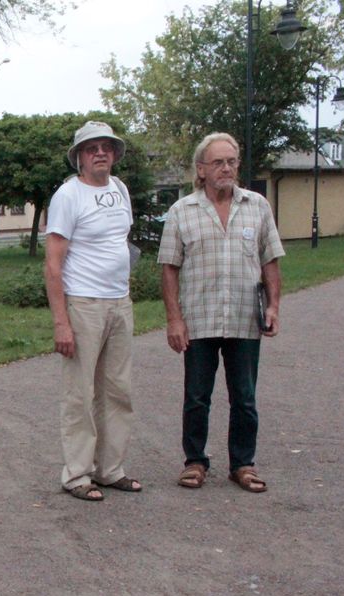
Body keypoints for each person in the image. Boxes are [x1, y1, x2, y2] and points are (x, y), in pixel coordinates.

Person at [158, 132, 283, 493]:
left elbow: (270, 259)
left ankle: (242, 464)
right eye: (218, 162)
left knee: (244, 397)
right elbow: (169, 268)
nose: (226, 168)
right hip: (199, 319)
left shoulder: (257, 206)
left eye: (231, 161)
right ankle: (195, 461)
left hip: (244, 318)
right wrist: (174, 319)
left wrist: (274, 306)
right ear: (201, 169)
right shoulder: (182, 211)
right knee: (197, 397)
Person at [44, 120, 141, 501]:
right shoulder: (68, 196)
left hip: (120, 302)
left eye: (106, 147)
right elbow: (53, 263)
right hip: (84, 304)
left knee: (118, 390)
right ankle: (77, 474)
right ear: (80, 158)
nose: (100, 153)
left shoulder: (120, 189)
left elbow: (120, 241)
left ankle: (110, 469)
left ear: (115, 154)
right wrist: (61, 322)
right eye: (91, 148)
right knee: (80, 394)